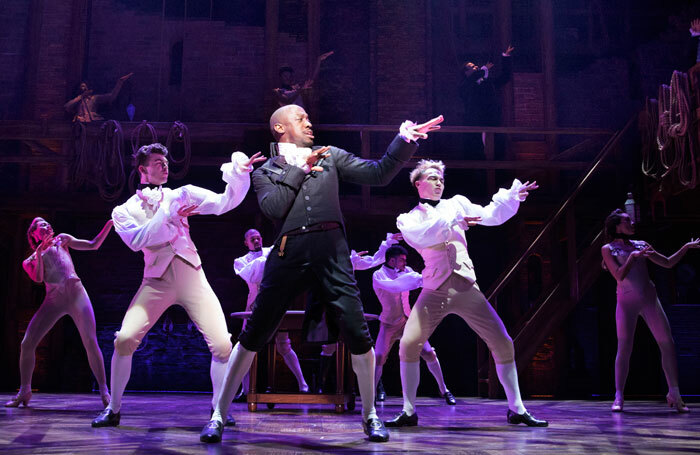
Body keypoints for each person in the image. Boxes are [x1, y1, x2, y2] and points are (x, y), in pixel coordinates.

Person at [200, 105, 443, 443]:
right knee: (255, 331)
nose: (310, 123)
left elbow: (378, 173)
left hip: (331, 249)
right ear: (280, 128)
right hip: (289, 250)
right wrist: (300, 169)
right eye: (301, 119)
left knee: (358, 331)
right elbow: (273, 208)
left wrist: (403, 140)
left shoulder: (330, 156)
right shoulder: (265, 170)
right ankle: (219, 414)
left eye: (309, 118)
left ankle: (370, 415)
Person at [91, 143, 264, 428]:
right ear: (142, 169)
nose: (164, 166)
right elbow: (138, 241)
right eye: (158, 162)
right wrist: (167, 212)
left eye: (166, 161)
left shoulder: (180, 194)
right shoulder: (123, 210)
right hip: (155, 281)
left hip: (191, 275)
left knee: (222, 344)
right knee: (123, 340)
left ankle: (218, 410)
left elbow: (223, 203)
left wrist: (239, 174)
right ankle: (114, 408)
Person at [385, 159, 547, 428]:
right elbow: (423, 236)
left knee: (503, 341)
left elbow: (490, 215)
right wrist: (454, 221)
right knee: (408, 343)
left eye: (441, 178)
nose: (439, 182)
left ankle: (516, 408)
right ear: (418, 183)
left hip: (465, 285)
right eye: (433, 177)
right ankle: (409, 411)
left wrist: (510, 198)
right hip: (434, 288)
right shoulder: (409, 218)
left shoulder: (456, 202)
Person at [5, 218, 113, 408]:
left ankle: (104, 391)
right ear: (33, 233)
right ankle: (25, 391)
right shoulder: (28, 261)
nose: (47, 226)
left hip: (77, 293)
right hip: (54, 300)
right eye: (42, 225)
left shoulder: (62, 240)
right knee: (27, 342)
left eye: (47, 223)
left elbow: (93, 244)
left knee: (90, 340)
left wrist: (110, 224)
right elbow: (38, 278)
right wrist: (39, 253)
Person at [601, 209, 699, 412]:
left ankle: (674, 393)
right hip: (626, 302)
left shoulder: (641, 244)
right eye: (627, 221)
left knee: (667, 344)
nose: (632, 223)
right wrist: (632, 258)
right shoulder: (608, 249)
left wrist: (686, 247)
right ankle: (619, 396)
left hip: (649, 299)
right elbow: (619, 276)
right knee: (624, 347)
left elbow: (668, 262)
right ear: (617, 226)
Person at [372, 245, 456, 406]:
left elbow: (420, 279)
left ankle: (444, 390)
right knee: (379, 357)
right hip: (389, 324)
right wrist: (412, 279)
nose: (405, 262)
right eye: (402, 260)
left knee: (429, 352)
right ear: (392, 260)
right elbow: (395, 285)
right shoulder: (379, 275)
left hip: (408, 322)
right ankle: (372, 394)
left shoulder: (407, 270)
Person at [233, 228, 308, 402]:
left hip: (275, 302)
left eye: (259, 237)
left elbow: (285, 254)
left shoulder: (271, 251)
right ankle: (245, 391)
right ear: (246, 242)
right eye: (253, 238)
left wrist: (279, 247)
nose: (257, 240)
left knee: (284, 345)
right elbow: (251, 276)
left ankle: (303, 385)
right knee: (245, 348)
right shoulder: (240, 261)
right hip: (253, 306)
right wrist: (269, 257)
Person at [458, 46, 513, 156]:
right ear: (466, 72)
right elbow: (472, 81)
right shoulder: (465, 84)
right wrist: (484, 69)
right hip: (475, 122)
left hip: (491, 120)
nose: (476, 67)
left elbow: (505, 78)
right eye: (472, 67)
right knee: (476, 151)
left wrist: (505, 57)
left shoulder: (487, 82)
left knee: (495, 149)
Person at [64, 73, 133, 123]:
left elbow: (111, 96)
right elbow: (67, 106)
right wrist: (81, 97)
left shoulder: (94, 98)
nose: (84, 88)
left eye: (85, 86)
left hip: (92, 123)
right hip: (80, 124)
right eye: (82, 86)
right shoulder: (78, 100)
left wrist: (119, 82)